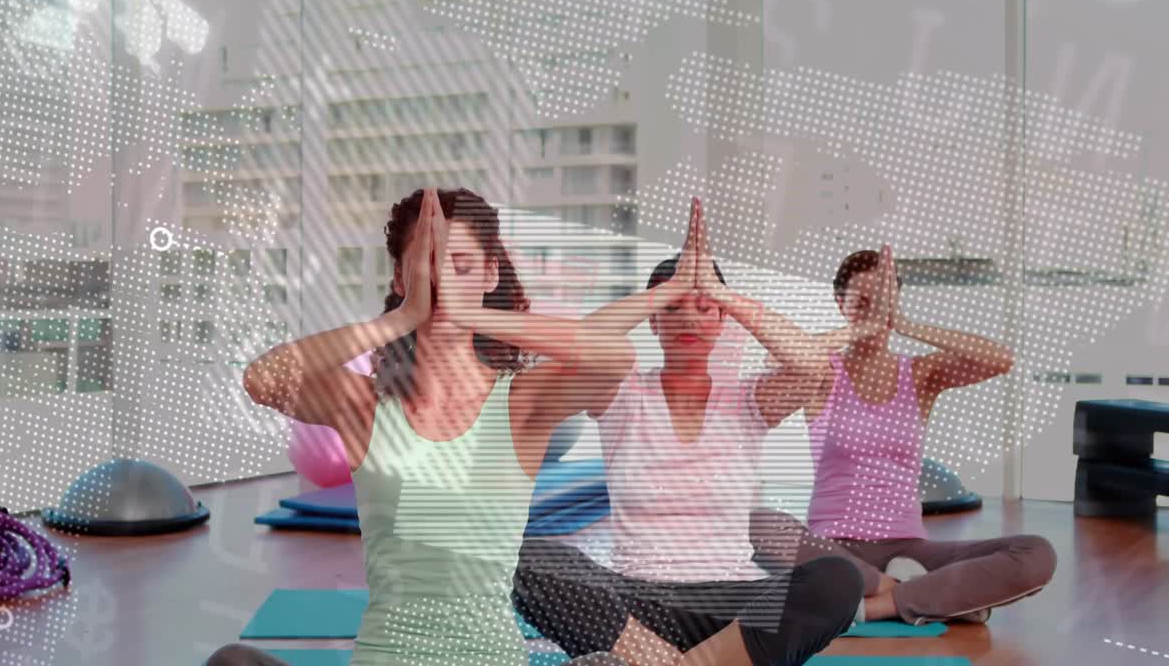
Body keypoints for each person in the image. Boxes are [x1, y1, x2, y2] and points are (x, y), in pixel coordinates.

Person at [208, 188, 723, 666]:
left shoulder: (521, 403)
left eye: (459, 265)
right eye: (425, 265)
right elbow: (264, 379)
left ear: (491, 274)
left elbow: (613, 356)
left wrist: (471, 312)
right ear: (399, 279)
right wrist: (398, 319)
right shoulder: (364, 405)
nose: (440, 282)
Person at [513, 199, 863, 666]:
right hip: (635, 604)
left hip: (729, 603)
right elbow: (561, 353)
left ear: (723, 320)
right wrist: (667, 289)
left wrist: (725, 294)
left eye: (706, 307)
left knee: (838, 579)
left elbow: (812, 365)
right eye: (673, 307)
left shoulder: (750, 400)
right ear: (653, 320)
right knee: (527, 558)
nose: (690, 318)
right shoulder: (620, 391)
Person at [750, 246, 1057, 626]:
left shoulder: (919, 374)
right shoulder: (821, 371)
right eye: (861, 302)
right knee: (758, 524)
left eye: (884, 302)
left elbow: (1000, 359)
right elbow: (773, 359)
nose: (875, 313)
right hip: (834, 549)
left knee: (1035, 552)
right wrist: (861, 327)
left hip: (910, 548)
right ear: (839, 303)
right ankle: (916, 591)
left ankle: (880, 603)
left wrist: (907, 325)